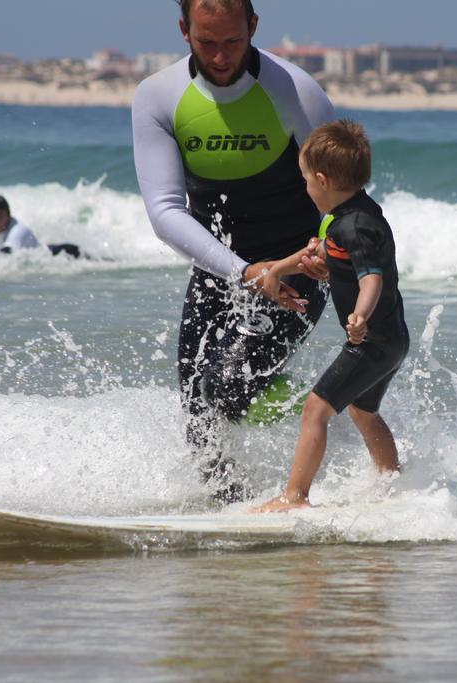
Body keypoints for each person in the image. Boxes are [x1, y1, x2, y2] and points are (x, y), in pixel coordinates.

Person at [132, 0, 336, 500]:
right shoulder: (159, 96)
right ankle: (229, 510)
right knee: (198, 415)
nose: (221, 56)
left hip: (296, 272)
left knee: (224, 389)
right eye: (206, 42)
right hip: (221, 268)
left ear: (254, 27)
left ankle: (305, 405)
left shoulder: (296, 91)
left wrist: (351, 268)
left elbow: (345, 195)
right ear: (184, 30)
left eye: (232, 42)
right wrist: (242, 271)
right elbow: (164, 211)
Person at [252, 120, 409, 512]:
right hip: (391, 340)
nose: (304, 187)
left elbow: (371, 277)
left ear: (322, 180)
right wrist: (274, 270)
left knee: (315, 409)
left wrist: (359, 314)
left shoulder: (356, 226)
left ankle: (295, 497)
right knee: (363, 410)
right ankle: (395, 484)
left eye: (305, 179)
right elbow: (318, 252)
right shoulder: (351, 213)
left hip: (371, 340)